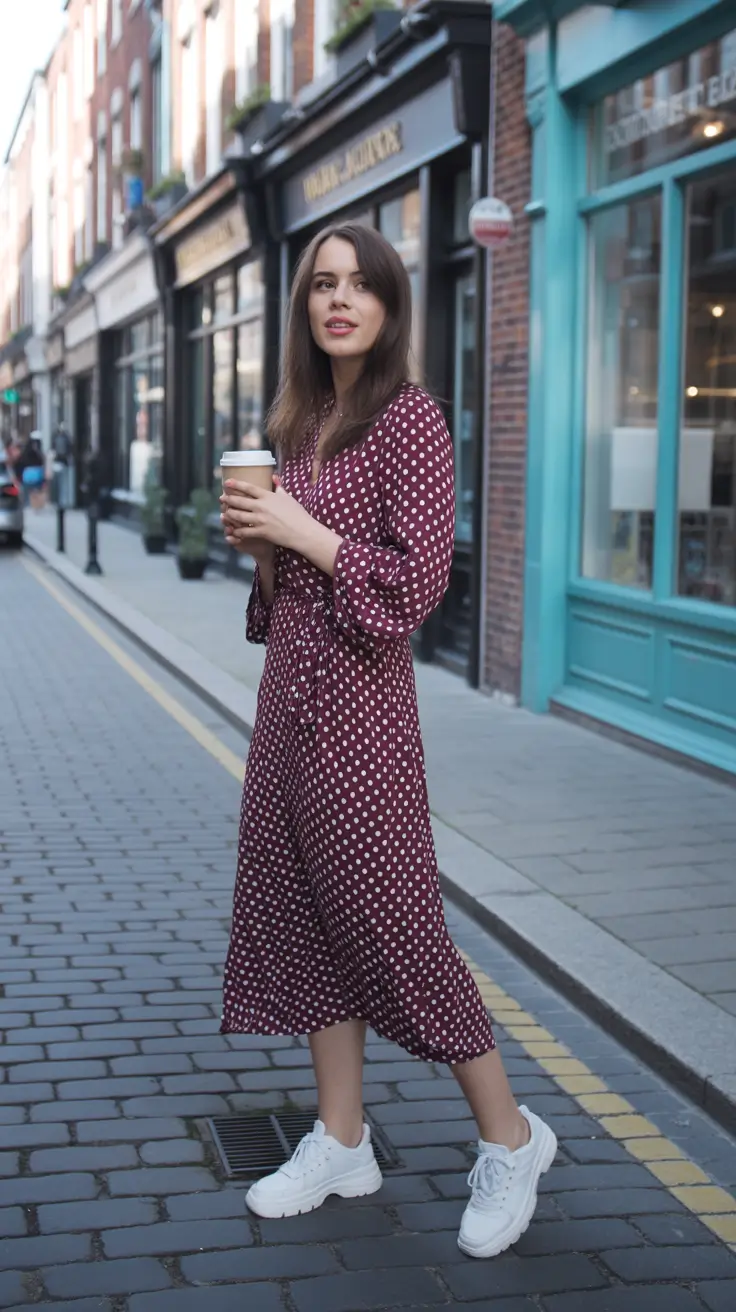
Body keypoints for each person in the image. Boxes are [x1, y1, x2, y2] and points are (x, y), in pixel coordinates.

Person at [219, 224, 556, 1260]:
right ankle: (341, 1137)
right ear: (303, 308)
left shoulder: (408, 418)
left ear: (391, 304)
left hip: (363, 714)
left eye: (361, 284)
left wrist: (297, 533)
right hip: (288, 704)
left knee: (394, 920)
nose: (339, 299)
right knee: (306, 912)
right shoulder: (300, 417)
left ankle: (512, 1137)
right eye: (321, 283)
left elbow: (414, 587)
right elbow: (288, 595)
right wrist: (259, 544)